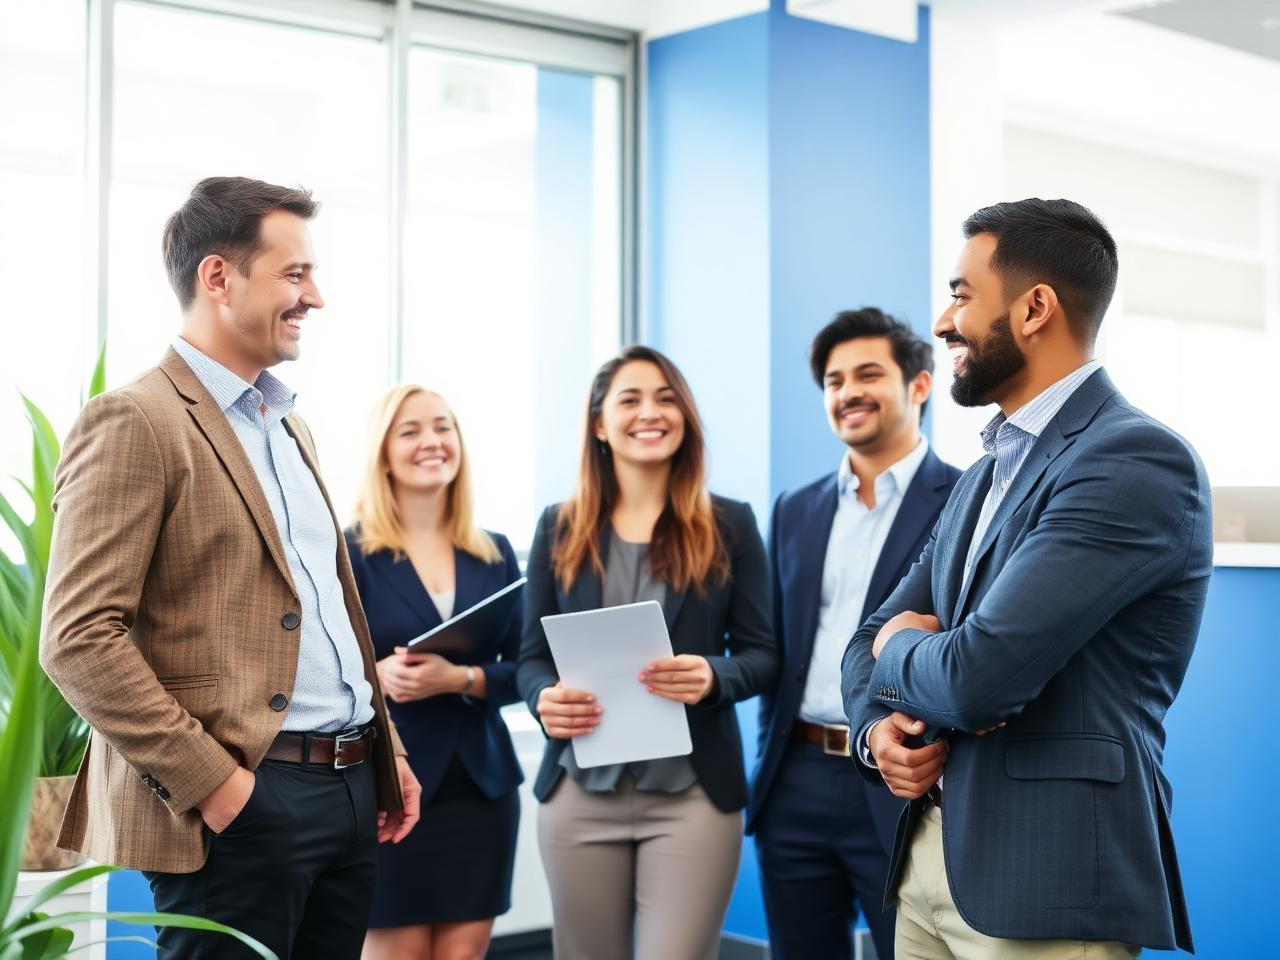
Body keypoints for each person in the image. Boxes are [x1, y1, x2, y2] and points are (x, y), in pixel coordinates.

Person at [40, 176, 421, 960]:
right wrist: (221, 788)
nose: (315, 296)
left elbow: (326, 616)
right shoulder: (135, 421)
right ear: (218, 278)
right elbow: (78, 638)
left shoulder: (290, 428)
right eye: (294, 274)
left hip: (350, 788)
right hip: (245, 803)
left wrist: (389, 751)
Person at [841, 198, 1212, 959]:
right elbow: (867, 637)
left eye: (962, 294)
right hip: (927, 864)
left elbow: (978, 676)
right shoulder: (984, 476)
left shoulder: (1133, 461)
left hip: (1046, 884)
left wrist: (900, 653)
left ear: (1035, 307)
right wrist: (877, 731)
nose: (943, 323)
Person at [516, 345, 778, 960]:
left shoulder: (730, 524)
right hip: (578, 794)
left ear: (684, 417)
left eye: (665, 398)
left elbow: (764, 655)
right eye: (629, 399)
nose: (649, 412)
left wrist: (712, 676)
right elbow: (531, 659)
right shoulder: (559, 526)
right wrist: (542, 699)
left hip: (692, 798)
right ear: (600, 425)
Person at [748, 308, 961, 960]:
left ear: (919, 385)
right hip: (796, 779)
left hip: (901, 781)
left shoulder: (964, 499)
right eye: (834, 381)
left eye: (868, 374)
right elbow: (780, 648)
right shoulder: (795, 508)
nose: (847, 393)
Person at [346, 385, 523, 960]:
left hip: (481, 789)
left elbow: (527, 668)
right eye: (411, 430)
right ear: (383, 452)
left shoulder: (493, 551)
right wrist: (376, 672)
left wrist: (460, 679)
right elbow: (312, 664)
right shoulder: (350, 553)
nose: (432, 441)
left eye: (443, 427)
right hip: (389, 790)